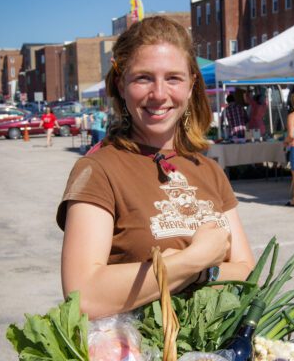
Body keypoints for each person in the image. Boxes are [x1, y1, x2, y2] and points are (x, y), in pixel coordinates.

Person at [57, 16, 255, 320]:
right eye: (143, 78)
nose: (160, 94)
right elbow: (83, 295)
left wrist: (200, 275)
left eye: (173, 78)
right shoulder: (98, 170)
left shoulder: (208, 169)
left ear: (190, 86)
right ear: (121, 84)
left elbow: (246, 269)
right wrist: (193, 261)